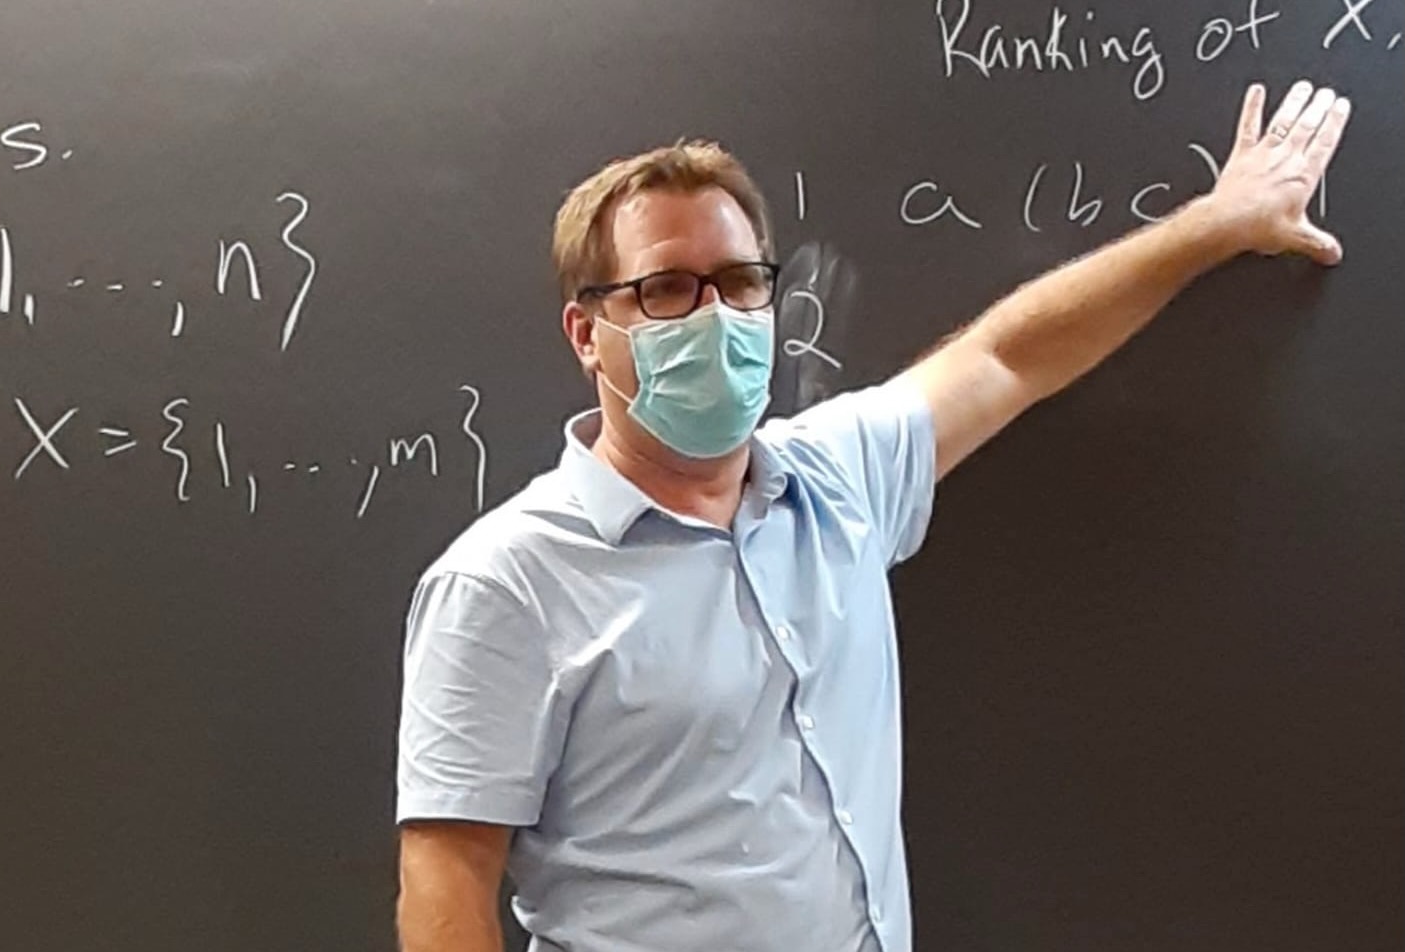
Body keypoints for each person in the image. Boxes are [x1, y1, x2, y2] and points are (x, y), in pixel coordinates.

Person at [393, 81, 1352, 952]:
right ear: (587, 334)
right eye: (667, 290)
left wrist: (1217, 223)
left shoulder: (836, 480)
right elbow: (444, 886)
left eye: (738, 283)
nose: (714, 316)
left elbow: (1007, 357)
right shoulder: (506, 581)